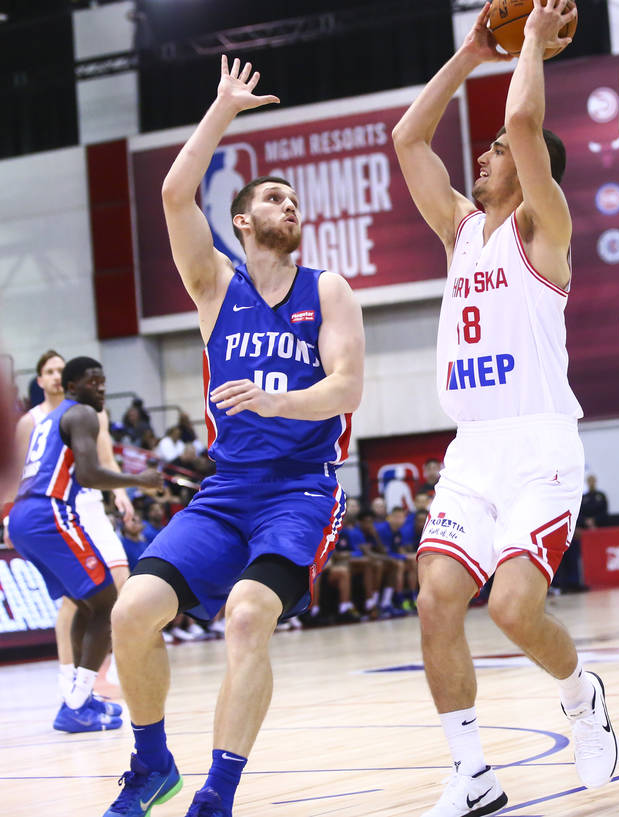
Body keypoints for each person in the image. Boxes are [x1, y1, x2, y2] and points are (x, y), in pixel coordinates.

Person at [101, 55, 364, 817]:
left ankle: (216, 794)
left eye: (293, 199)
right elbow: (174, 193)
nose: (290, 205)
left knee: (247, 616)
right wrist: (222, 110)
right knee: (131, 611)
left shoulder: (329, 290)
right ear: (243, 222)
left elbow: (346, 389)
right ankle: (151, 764)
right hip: (225, 493)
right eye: (274, 198)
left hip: (300, 491)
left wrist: (276, 402)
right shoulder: (217, 286)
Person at [393, 3, 618, 813]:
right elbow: (408, 141)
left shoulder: (545, 226)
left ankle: (579, 690)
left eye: (493, 150)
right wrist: (468, 54)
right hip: (472, 449)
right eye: (485, 149)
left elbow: (523, 118)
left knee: (514, 609)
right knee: (436, 598)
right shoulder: (459, 228)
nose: (483, 155)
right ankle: (472, 772)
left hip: (540, 448)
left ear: (528, 169)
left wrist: (526, 45)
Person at [6, 357, 162, 733]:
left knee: (84, 603)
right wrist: (139, 481)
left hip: (26, 515)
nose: (102, 389)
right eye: (94, 382)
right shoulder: (82, 415)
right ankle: (76, 703)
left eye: (104, 381)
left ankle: (78, 698)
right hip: (50, 512)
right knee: (108, 602)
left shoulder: (50, 417)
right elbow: (90, 473)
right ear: (73, 387)